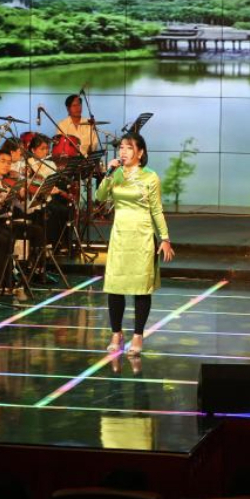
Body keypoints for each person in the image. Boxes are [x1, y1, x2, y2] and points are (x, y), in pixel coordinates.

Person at [95, 132, 174, 355]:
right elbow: (100, 197)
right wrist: (108, 173)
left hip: (142, 235)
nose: (123, 151)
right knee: (115, 286)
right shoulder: (116, 174)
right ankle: (116, 333)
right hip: (120, 234)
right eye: (121, 147)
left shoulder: (150, 177)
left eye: (129, 148)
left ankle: (138, 335)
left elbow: (156, 209)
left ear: (140, 153)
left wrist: (165, 238)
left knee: (141, 288)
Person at [0, 148, 45, 293]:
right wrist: (3, 199)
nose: (6, 165)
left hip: (7, 220)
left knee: (37, 230)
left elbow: (24, 208)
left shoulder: (9, 180)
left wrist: (22, 195)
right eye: (3, 162)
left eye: (9, 163)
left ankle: (32, 269)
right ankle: (0, 281)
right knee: (6, 238)